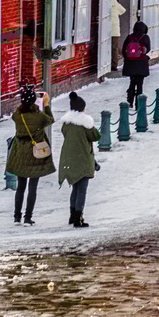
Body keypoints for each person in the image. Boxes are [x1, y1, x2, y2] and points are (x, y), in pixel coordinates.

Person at [7, 87, 55, 224]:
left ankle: (17, 216)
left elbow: (15, 114)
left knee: (20, 187)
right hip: (35, 154)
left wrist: (23, 104)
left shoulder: (18, 115)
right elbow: (50, 119)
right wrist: (46, 104)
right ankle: (28, 218)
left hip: (20, 153)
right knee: (32, 187)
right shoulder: (39, 116)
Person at [56, 92, 99, 228]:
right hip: (83, 159)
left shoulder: (66, 124)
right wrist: (90, 123)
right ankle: (78, 218)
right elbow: (96, 136)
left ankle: (72, 215)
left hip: (69, 159)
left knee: (75, 188)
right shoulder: (85, 124)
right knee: (82, 190)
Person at [121, 21, 152, 105]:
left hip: (131, 64)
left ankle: (129, 101)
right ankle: (138, 104)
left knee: (132, 82)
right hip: (141, 64)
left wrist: (128, 58)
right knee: (140, 84)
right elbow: (148, 49)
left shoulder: (129, 37)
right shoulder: (145, 37)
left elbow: (123, 50)